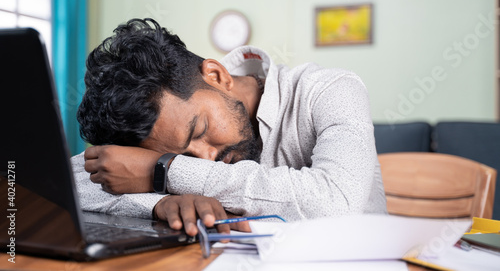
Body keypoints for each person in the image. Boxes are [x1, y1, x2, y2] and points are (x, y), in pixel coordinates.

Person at [72, 18, 387, 237]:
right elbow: (70, 180)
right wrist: (160, 204)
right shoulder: (167, 134)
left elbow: (335, 203)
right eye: (179, 155)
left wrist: (166, 170)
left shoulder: (332, 90)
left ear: (216, 75)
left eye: (198, 130)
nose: (206, 159)